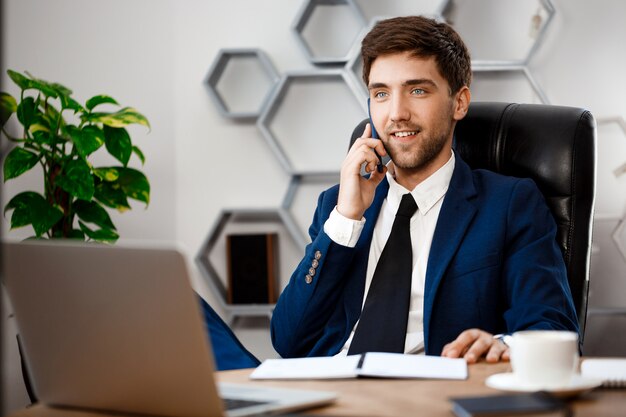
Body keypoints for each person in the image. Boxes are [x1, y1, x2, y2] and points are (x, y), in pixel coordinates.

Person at [270, 15, 579, 363]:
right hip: (336, 391)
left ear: (459, 102)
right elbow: (289, 340)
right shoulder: (338, 206)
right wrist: (346, 218)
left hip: (434, 392)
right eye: (381, 94)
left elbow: (552, 326)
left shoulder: (508, 204)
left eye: (417, 90)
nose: (396, 113)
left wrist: (504, 344)